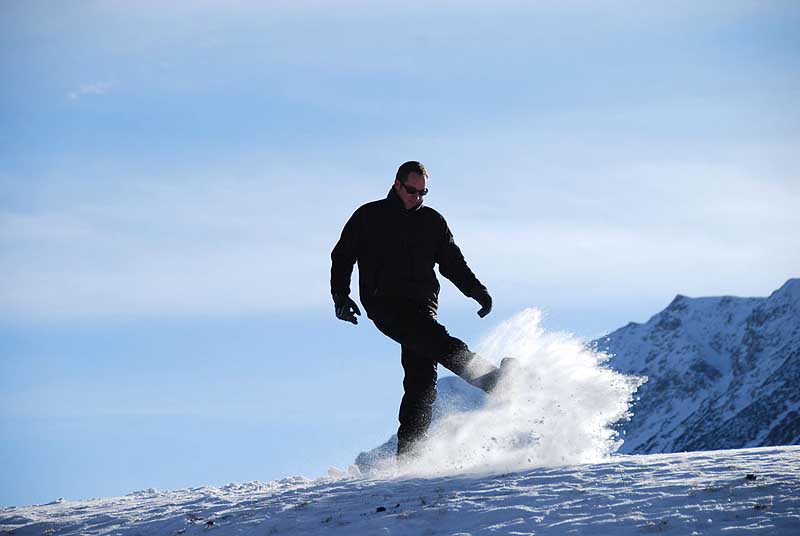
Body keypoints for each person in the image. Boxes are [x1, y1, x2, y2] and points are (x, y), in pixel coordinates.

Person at [330, 161, 513, 459]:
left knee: (421, 380)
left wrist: (477, 291)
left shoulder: (432, 221)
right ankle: (496, 382)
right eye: (412, 191)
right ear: (397, 185)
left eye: (423, 192)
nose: (417, 197)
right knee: (440, 344)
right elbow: (342, 256)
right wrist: (341, 296)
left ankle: (410, 458)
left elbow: (452, 262)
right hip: (385, 304)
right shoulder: (369, 217)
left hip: (422, 307)